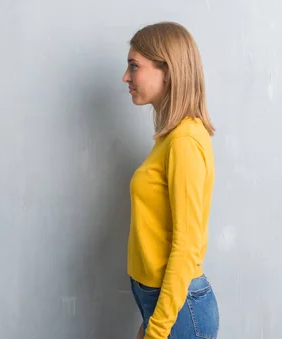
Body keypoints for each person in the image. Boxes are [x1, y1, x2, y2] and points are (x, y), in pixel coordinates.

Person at [122, 21, 220, 339]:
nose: (126, 77)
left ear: (167, 69)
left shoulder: (184, 141)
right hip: (162, 304)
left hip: (179, 312)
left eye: (134, 66)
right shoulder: (172, 138)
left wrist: (158, 329)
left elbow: (187, 245)